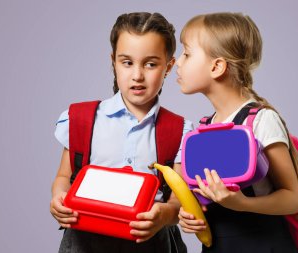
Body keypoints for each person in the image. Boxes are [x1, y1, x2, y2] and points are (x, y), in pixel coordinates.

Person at [50, 12, 192, 253]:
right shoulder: (81, 119)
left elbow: (179, 200)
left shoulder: (180, 131)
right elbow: (65, 176)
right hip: (84, 242)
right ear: (113, 61)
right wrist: (59, 198)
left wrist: (165, 214)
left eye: (150, 64)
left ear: (168, 66)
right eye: (127, 62)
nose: (137, 75)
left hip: (151, 242)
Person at [176, 12, 298, 253]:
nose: (178, 62)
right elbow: (211, 198)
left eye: (186, 53)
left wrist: (243, 203)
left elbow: (294, 199)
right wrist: (193, 215)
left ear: (217, 67)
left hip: (263, 245)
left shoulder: (262, 120)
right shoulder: (204, 128)